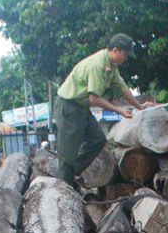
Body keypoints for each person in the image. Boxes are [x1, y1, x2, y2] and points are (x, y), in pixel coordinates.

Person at [53, 33, 155, 187]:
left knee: (98, 140)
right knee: (67, 156)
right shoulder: (98, 65)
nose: (126, 59)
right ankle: (63, 188)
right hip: (69, 107)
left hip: (81, 108)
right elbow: (94, 99)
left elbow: (123, 88)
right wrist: (118, 111)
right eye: (126, 55)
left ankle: (73, 173)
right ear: (116, 50)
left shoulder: (111, 66)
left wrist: (140, 106)